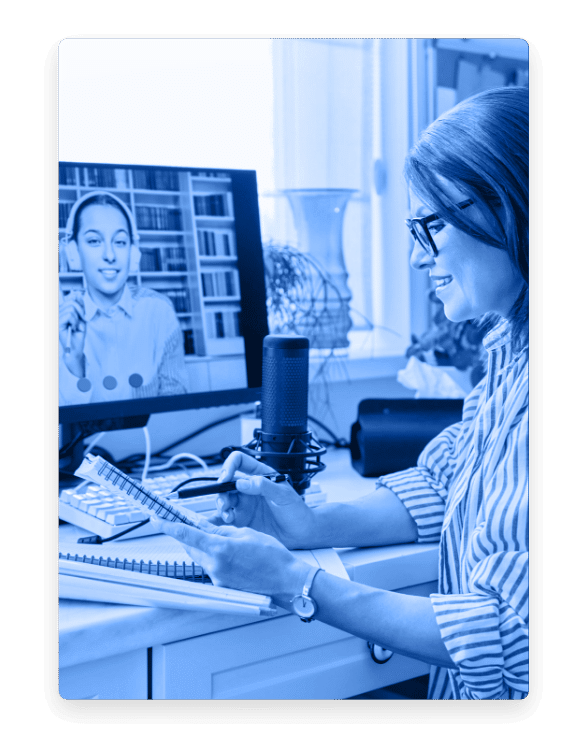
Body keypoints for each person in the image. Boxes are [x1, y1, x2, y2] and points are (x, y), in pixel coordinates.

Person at [158, 86, 529, 700]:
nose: (416, 257)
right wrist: (308, 525)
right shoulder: (511, 349)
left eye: (430, 225)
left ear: (513, 207)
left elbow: (509, 632)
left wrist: (297, 583)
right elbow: (453, 480)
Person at [58, 191, 188, 405]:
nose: (110, 255)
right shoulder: (64, 320)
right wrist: (74, 359)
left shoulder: (158, 310)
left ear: (133, 254)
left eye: (119, 242)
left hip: (155, 438)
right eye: (94, 241)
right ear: (73, 252)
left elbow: (176, 398)